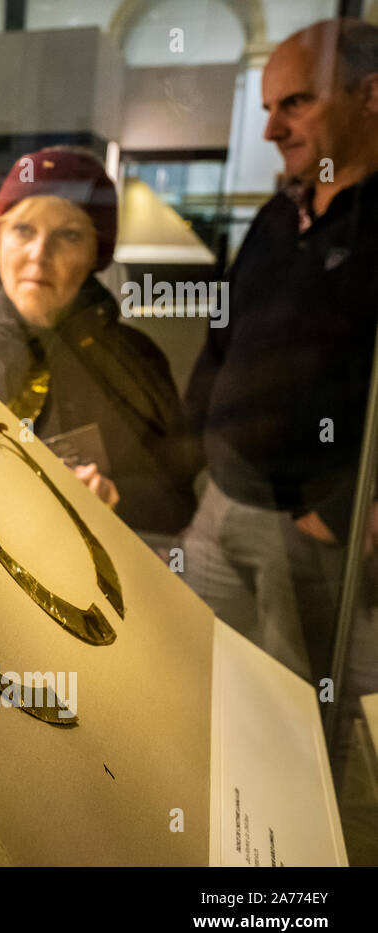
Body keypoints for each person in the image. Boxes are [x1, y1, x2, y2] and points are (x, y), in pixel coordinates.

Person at [181, 18, 378, 688]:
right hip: (219, 504)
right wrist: (191, 457)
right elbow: (222, 337)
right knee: (217, 695)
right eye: (268, 108)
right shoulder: (279, 212)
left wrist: (343, 509)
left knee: (303, 721)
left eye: (295, 103)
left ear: (370, 95)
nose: (271, 130)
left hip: (311, 531)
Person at [0, 147, 200, 539]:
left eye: (69, 235)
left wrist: (114, 496)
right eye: (23, 230)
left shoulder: (133, 361)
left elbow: (175, 502)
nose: (39, 255)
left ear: (97, 253)